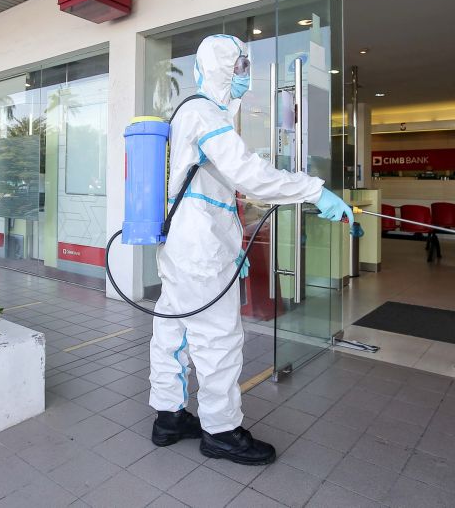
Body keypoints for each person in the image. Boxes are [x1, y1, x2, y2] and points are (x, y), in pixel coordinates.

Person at [149, 35, 353, 466]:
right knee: (217, 337)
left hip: (184, 246)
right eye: (242, 67)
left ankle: (168, 418)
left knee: (174, 331)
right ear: (224, 68)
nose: (246, 75)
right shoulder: (205, 113)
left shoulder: (189, 113)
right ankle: (220, 431)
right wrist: (315, 190)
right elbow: (250, 174)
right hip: (199, 249)